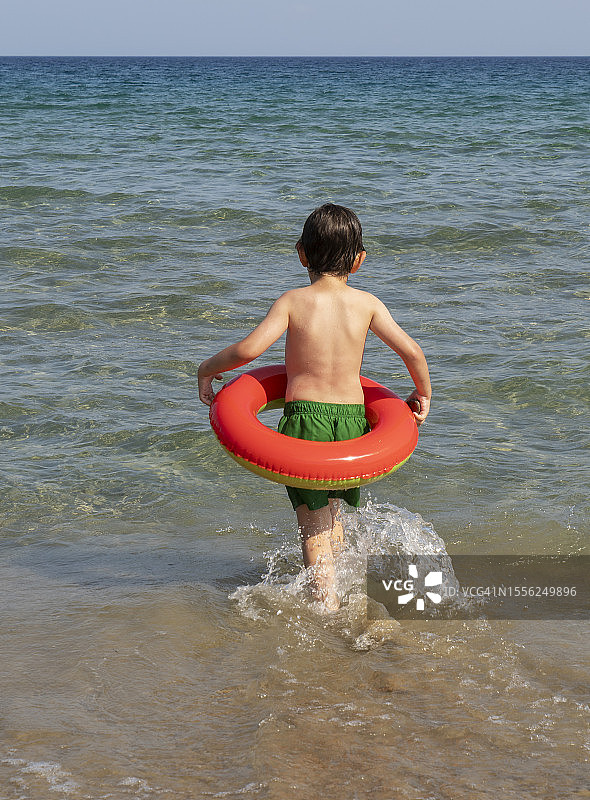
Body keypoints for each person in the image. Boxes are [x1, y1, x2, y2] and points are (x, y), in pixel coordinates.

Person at [198, 204, 431, 611]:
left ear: (301, 253)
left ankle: (326, 611)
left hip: (308, 421)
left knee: (312, 525)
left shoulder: (294, 301)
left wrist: (206, 369)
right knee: (333, 515)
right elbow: (412, 352)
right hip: (353, 424)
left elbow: (249, 349)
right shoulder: (368, 304)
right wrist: (422, 395)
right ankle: (340, 589)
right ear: (359, 260)